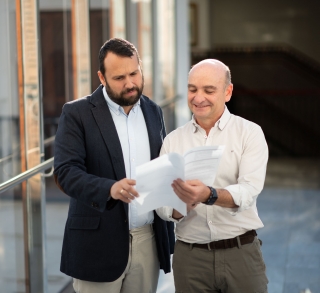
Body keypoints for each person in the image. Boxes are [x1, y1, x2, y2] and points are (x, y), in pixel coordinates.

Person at [53, 38, 175, 293]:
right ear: (102, 77)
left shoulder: (153, 111)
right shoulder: (77, 114)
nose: (130, 83)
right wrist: (109, 189)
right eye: (119, 77)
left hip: (147, 239)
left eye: (134, 73)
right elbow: (65, 172)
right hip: (97, 243)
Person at [157, 59, 269, 293]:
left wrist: (210, 195)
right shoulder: (173, 141)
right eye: (192, 89)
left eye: (209, 90)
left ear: (227, 92)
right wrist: (184, 203)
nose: (198, 98)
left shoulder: (249, 133)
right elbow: (163, 206)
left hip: (241, 255)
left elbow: (249, 190)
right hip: (191, 258)